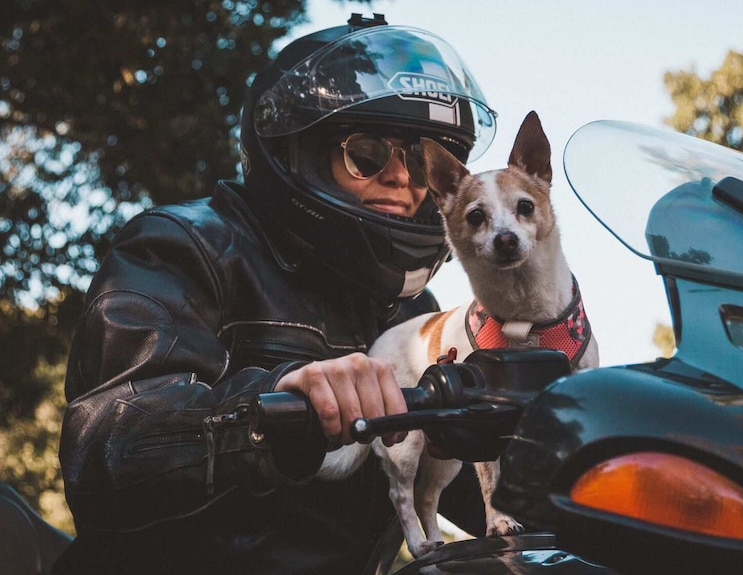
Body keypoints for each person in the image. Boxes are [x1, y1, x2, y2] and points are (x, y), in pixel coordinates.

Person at [52, 13, 498, 575]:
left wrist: (516, 433)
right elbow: (107, 446)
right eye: (366, 153)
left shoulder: (414, 312)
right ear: (299, 151)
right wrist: (272, 407)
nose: (402, 179)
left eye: (420, 161)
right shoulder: (186, 246)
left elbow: (485, 501)